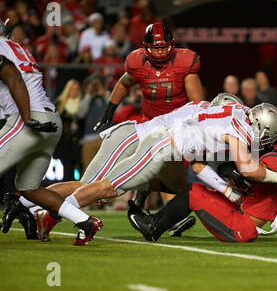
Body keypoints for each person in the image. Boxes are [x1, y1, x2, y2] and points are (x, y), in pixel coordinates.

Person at [14, 95, 241, 241]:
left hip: (143, 142)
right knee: (96, 186)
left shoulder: (201, 112)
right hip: (132, 139)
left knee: (175, 183)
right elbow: (195, 162)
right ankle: (36, 209)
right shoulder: (203, 118)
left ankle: (26, 204)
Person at [56, 102, 277, 227]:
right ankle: (47, 210)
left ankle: (31, 201)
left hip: (159, 145)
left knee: (102, 187)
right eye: (270, 136)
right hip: (153, 144)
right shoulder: (238, 128)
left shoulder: (228, 114)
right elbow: (249, 169)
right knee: (106, 188)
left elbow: (198, 166)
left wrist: (228, 191)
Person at [0, 20, 102, 246]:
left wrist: (27, 118)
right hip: (51, 119)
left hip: (29, 119)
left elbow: (13, 77)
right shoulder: (21, 48)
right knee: (29, 189)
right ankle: (85, 221)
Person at [94, 21, 204, 211]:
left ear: (172, 45)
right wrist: (109, 111)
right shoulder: (136, 62)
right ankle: (128, 192)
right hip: (150, 124)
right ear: (145, 48)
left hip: (177, 125)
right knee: (153, 166)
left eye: (163, 48)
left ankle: (144, 194)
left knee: (173, 176)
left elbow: (197, 104)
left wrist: (196, 127)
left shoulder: (185, 62)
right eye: (155, 49)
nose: (160, 53)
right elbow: (123, 83)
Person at [126, 124, 277, 242]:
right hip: (241, 212)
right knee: (197, 187)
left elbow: (245, 177)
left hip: (242, 225)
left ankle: (153, 227)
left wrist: (227, 163)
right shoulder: (271, 157)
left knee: (194, 193)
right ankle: (155, 219)